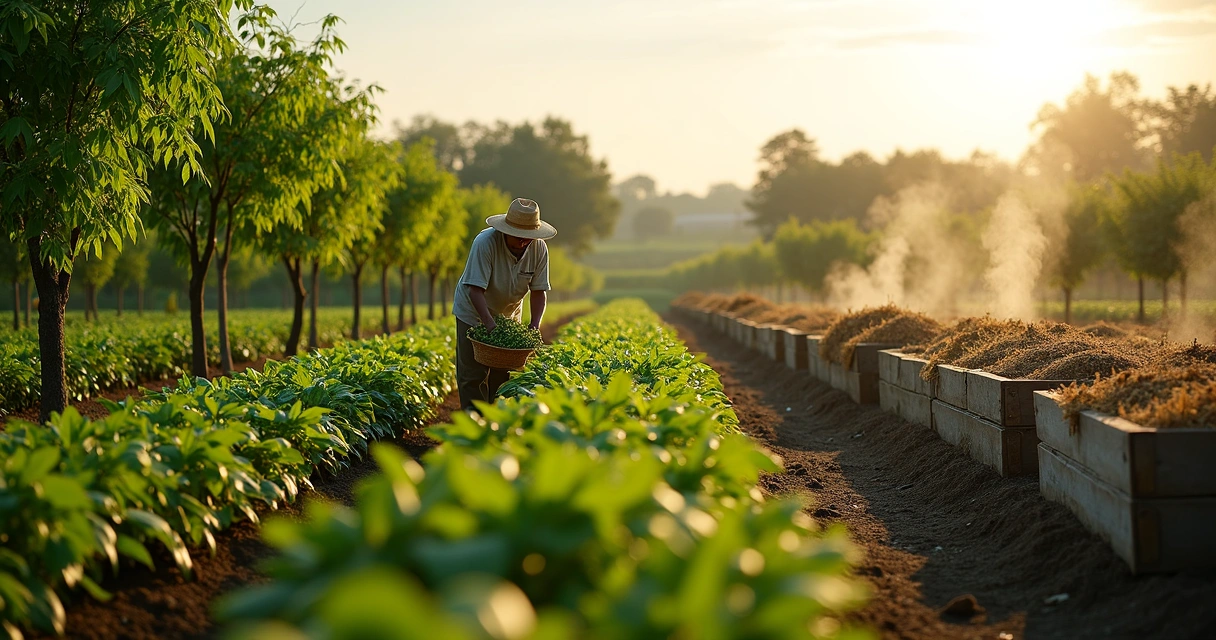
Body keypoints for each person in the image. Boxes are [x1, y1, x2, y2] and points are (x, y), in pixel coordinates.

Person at [451, 197, 556, 410]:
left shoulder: (539, 249)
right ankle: (474, 426)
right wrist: (489, 325)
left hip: (509, 314)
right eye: (519, 236)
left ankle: (495, 422)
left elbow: (538, 292)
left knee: (503, 375)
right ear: (506, 230)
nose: (523, 241)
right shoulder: (485, 243)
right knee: (473, 374)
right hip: (473, 311)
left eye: (528, 236)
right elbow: (475, 290)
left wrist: (534, 326)